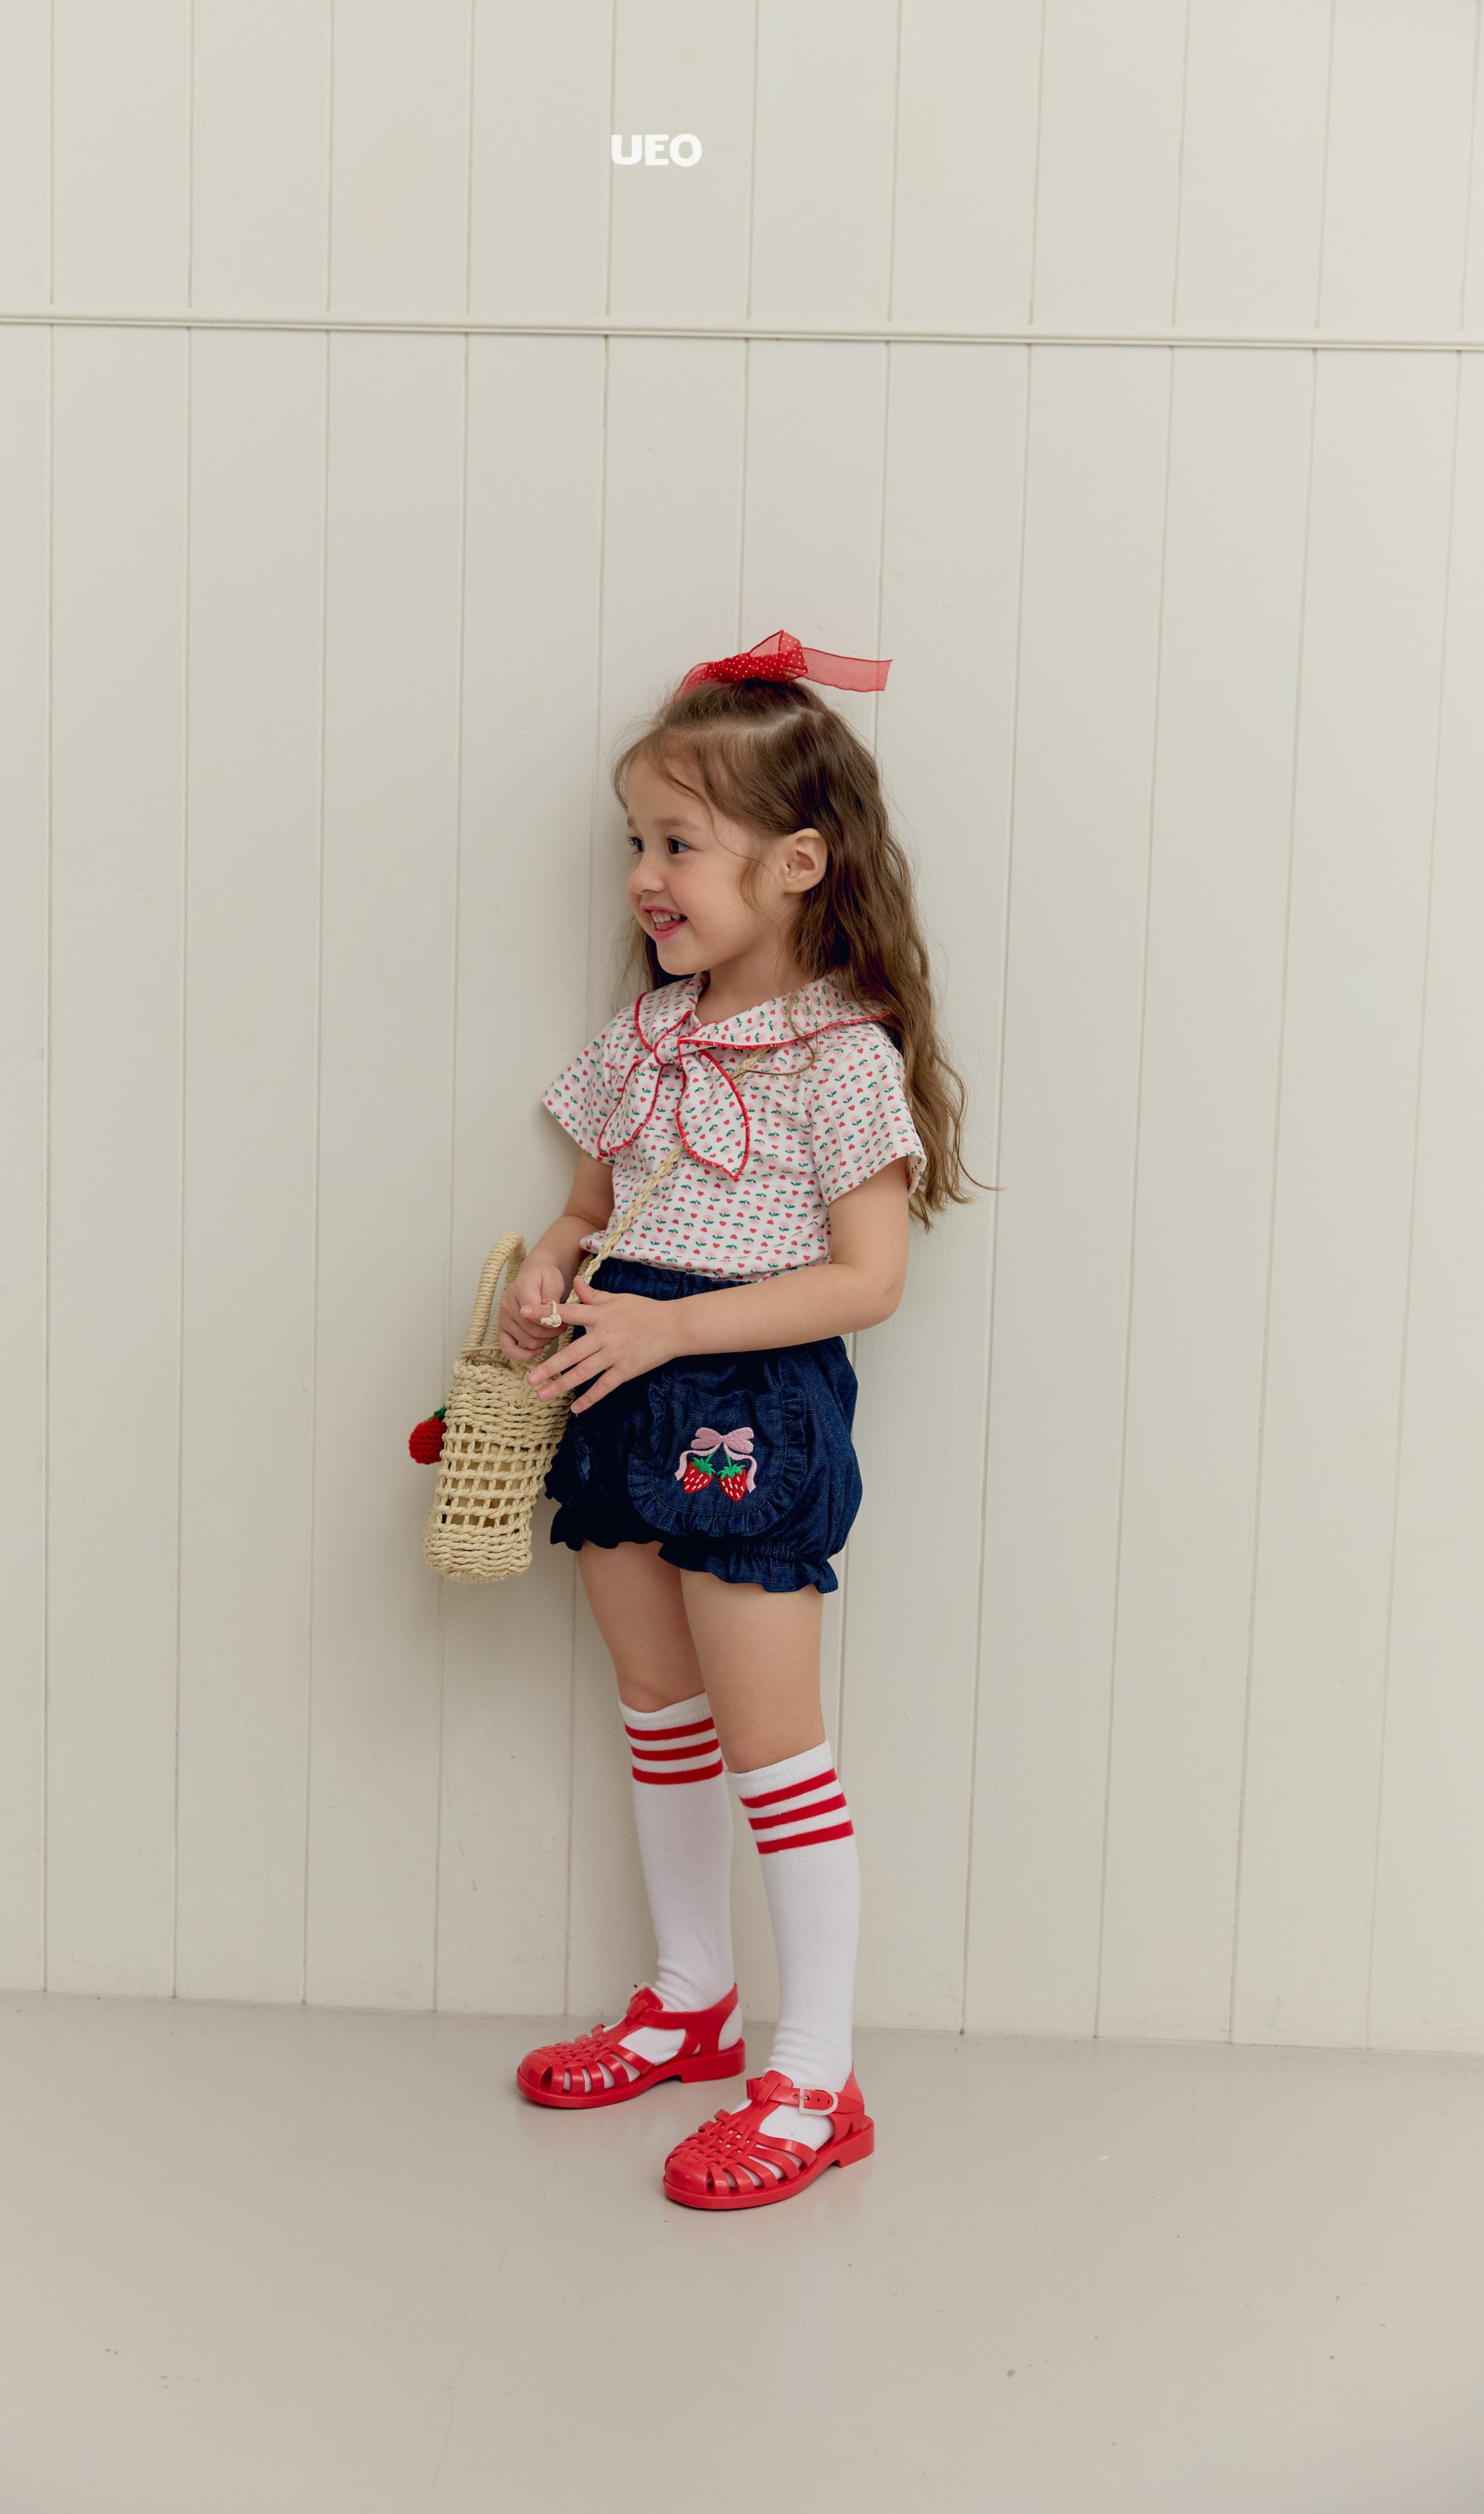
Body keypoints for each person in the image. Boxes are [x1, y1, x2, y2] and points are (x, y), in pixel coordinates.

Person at [499, 632, 971, 2210]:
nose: (644, 876)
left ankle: (816, 2074)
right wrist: (550, 1275)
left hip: (741, 1401)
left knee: (773, 1744)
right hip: (612, 1384)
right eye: (634, 841)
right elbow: (586, 1208)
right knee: (659, 1708)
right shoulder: (648, 1036)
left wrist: (672, 1326)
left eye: (677, 844)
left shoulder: (838, 1054)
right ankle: (691, 1999)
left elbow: (865, 1279)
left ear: (796, 863)